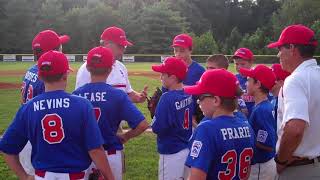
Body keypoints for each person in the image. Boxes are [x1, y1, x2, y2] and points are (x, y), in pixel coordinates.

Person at [0, 51, 114, 180]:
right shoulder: (82, 105)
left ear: (40, 76)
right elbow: (95, 150)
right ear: (65, 75)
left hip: (42, 176)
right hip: (76, 176)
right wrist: (110, 177)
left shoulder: (28, 107)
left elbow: (7, 148)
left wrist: (25, 176)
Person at [73, 46, 149, 180]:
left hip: (84, 155)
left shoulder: (76, 95)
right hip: (111, 154)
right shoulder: (118, 96)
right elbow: (143, 125)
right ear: (110, 69)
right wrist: (127, 136)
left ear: (88, 68)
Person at [267, 24, 320, 179]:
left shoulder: (295, 80)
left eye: (280, 49)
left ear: (292, 48)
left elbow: (295, 129)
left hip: (300, 169)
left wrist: (281, 161)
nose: (278, 55)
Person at [184, 69, 255, 180]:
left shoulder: (206, 129)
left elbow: (196, 177)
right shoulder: (247, 127)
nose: (198, 101)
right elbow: (247, 171)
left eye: (201, 97)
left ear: (216, 100)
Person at [19, 29, 70, 175]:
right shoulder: (47, 78)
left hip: (27, 133)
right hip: (39, 141)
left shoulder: (31, 71)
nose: (62, 48)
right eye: (59, 46)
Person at [75, 26, 147, 103]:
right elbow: (80, 100)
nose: (123, 50)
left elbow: (127, 93)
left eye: (124, 46)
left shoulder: (121, 67)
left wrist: (138, 97)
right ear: (106, 43)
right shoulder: (89, 68)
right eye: (120, 46)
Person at [151, 57, 194, 180]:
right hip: (186, 147)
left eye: (163, 74)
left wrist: (156, 115)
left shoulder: (166, 98)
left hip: (170, 151)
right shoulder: (188, 92)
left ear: (173, 78)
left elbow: (157, 128)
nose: (161, 77)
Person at [239, 64, 277, 179]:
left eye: (248, 80)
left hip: (261, 166)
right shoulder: (263, 105)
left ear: (258, 84)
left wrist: (245, 139)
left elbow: (269, 144)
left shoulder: (262, 110)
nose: (245, 83)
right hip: (262, 165)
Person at [206, 54, 248, 119]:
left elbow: (244, 112)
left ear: (223, 70)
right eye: (207, 68)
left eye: (212, 68)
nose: (207, 71)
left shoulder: (229, 88)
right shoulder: (208, 86)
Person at [231, 48, 255, 117]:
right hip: (240, 119)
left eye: (243, 64)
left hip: (256, 117)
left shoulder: (257, 79)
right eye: (236, 64)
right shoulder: (234, 79)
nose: (239, 67)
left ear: (251, 63)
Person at [270, 64, 290, 129]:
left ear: (281, 82)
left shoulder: (286, 103)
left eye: (270, 78)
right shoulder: (274, 99)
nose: (266, 79)